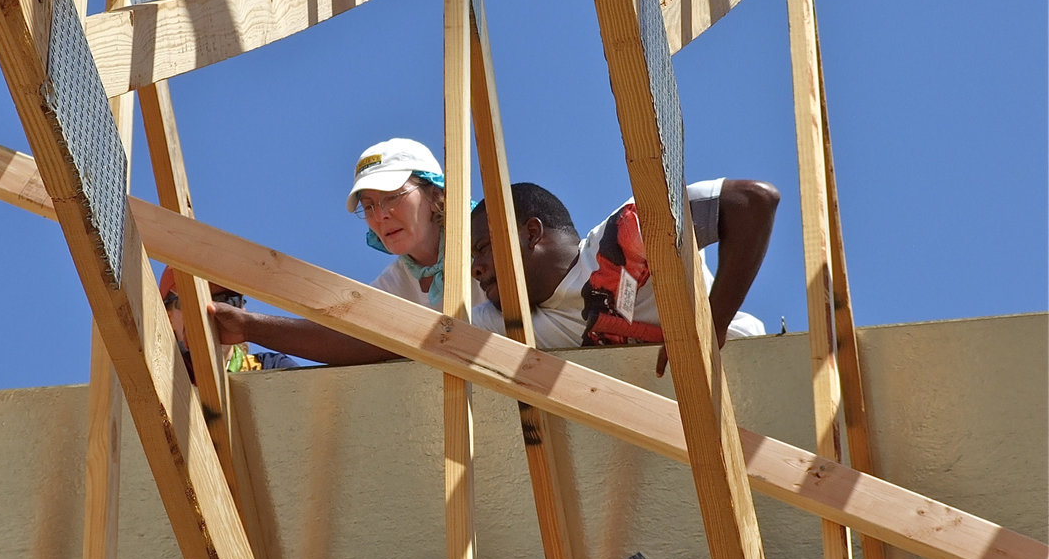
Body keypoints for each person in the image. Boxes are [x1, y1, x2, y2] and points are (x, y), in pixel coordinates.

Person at [207, 138, 484, 365]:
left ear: (435, 193)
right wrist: (247, 326)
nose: (381, 215)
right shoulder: (394, 285)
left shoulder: (488, 246)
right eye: (369, 205)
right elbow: (346, 341)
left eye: (392, 197)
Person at [469, 179, 778, 374]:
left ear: (532, 234)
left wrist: (712, 328)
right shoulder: (511, 321)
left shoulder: (622, 237)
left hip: (756, 371)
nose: (475, 268)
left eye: (482, 248)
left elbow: (754, 201)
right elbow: (431, 333)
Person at [159, 266, 298, 381]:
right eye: (191, 301)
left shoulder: (270, 368)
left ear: (242, 310)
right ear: (168, 317)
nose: (213, 311)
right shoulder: (154, 378)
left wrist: (250, 328)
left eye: (227, 300)